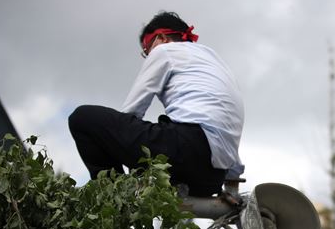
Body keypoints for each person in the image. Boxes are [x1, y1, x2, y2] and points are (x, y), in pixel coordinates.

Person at [68, 11, 244, 197]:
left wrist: (121, 153)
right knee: (167, 128)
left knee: (83, 119)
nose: (148, 55)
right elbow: (224, 130)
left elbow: (133, 111)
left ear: (161, 38)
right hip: (212, 178)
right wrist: (232, 188)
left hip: (184, 151)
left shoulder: (165, 51)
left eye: (147, 49)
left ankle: (114, 197)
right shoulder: (215, 61)